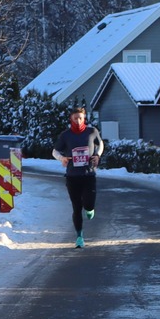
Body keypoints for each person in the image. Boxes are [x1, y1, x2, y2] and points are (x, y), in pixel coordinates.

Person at [52, 105, 105, 247]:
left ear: (84, 118)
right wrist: (62, 158)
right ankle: (79, 237)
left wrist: (97, 155)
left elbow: (101, 144)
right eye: (75, 118)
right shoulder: (66, 135)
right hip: (72, 176)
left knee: (89, 204)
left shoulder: (92, 132)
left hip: (88, 175)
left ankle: (89, 208)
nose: (78, 121)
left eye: (80, 118)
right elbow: (55, 151)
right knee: (76, 207)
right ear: (71, 119)